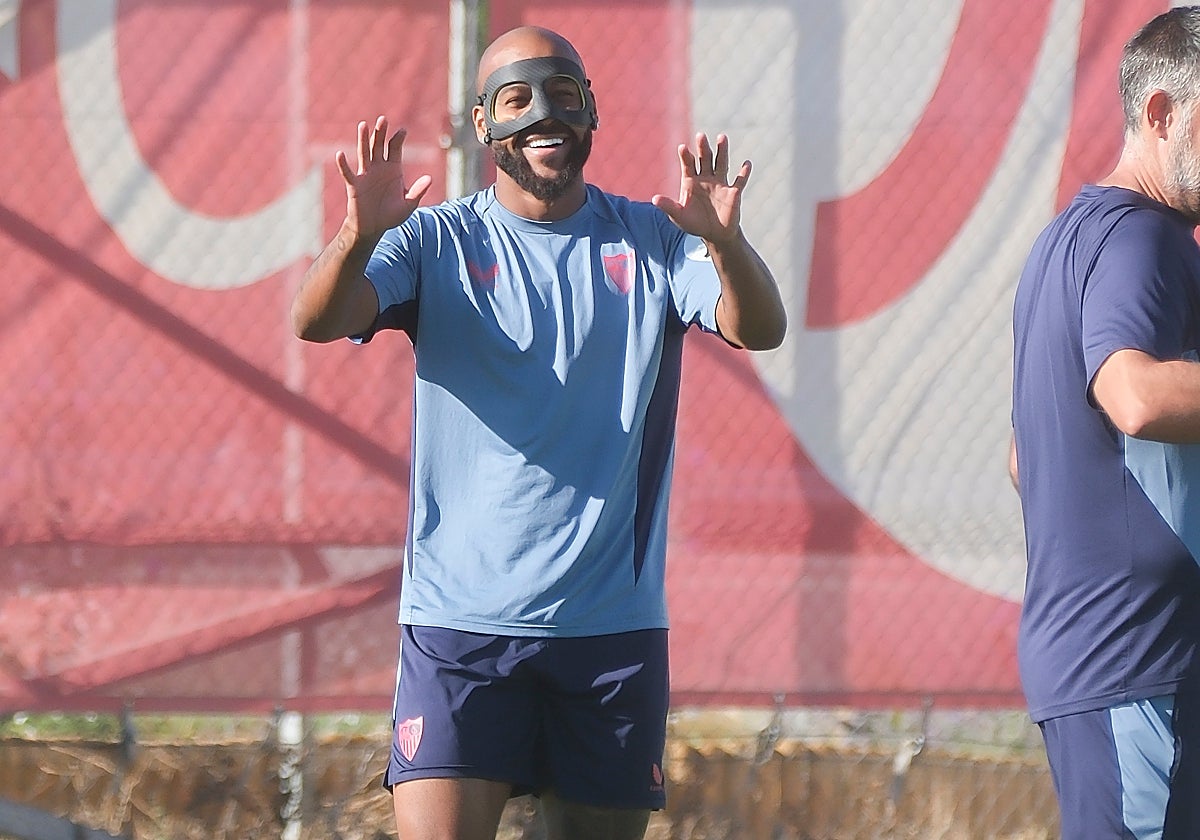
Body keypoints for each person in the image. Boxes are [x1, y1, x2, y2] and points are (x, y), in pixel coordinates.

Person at [290, 25, 786, 840]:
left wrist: (727, 245)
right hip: (459, 628)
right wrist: (358, 235)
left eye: (562, 93)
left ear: (591, 111)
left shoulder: (652, 239)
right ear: (483, 125)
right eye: (516, 99)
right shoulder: (435, 240)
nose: (543, 114)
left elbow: (757, 326)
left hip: (611, 634)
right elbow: (317, 319)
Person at [1010, 7, 1200, 838]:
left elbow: (1028, 456)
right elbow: (1137, 396)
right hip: (1134, 668)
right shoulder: (1144, 240)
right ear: (1160, 114)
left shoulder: (1069, 240)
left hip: (1119, 667)